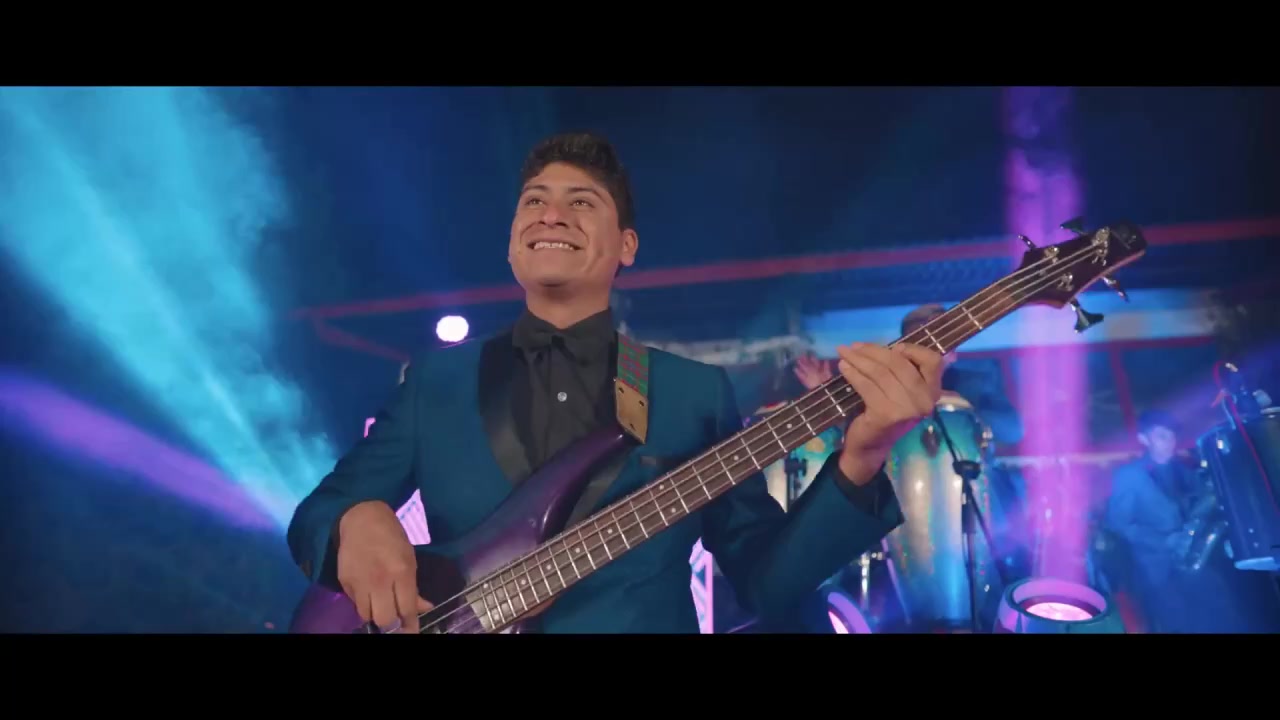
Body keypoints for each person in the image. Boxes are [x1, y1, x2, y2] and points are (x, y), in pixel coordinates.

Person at [285, 131, 947, 634]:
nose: (551, 214)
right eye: (534, 201)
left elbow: (766, 584)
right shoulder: (438, 381)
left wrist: (862, 458)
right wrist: (354, 521)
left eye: (582, 203)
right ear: (512, 242)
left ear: (627, 246)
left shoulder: (691, 392)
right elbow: (317, 515)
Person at [1104, 410, 1246, 632]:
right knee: (1177, 623)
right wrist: (1165, 540)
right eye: (1162, 435)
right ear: (1144, 439)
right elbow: (1118, 524)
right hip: (1156, 567)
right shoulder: (1128, 475)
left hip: (1194, 559)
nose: (1170, 441)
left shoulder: (1184, 469)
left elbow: (1200, 508)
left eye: (1171, 435)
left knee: (1219, 615)